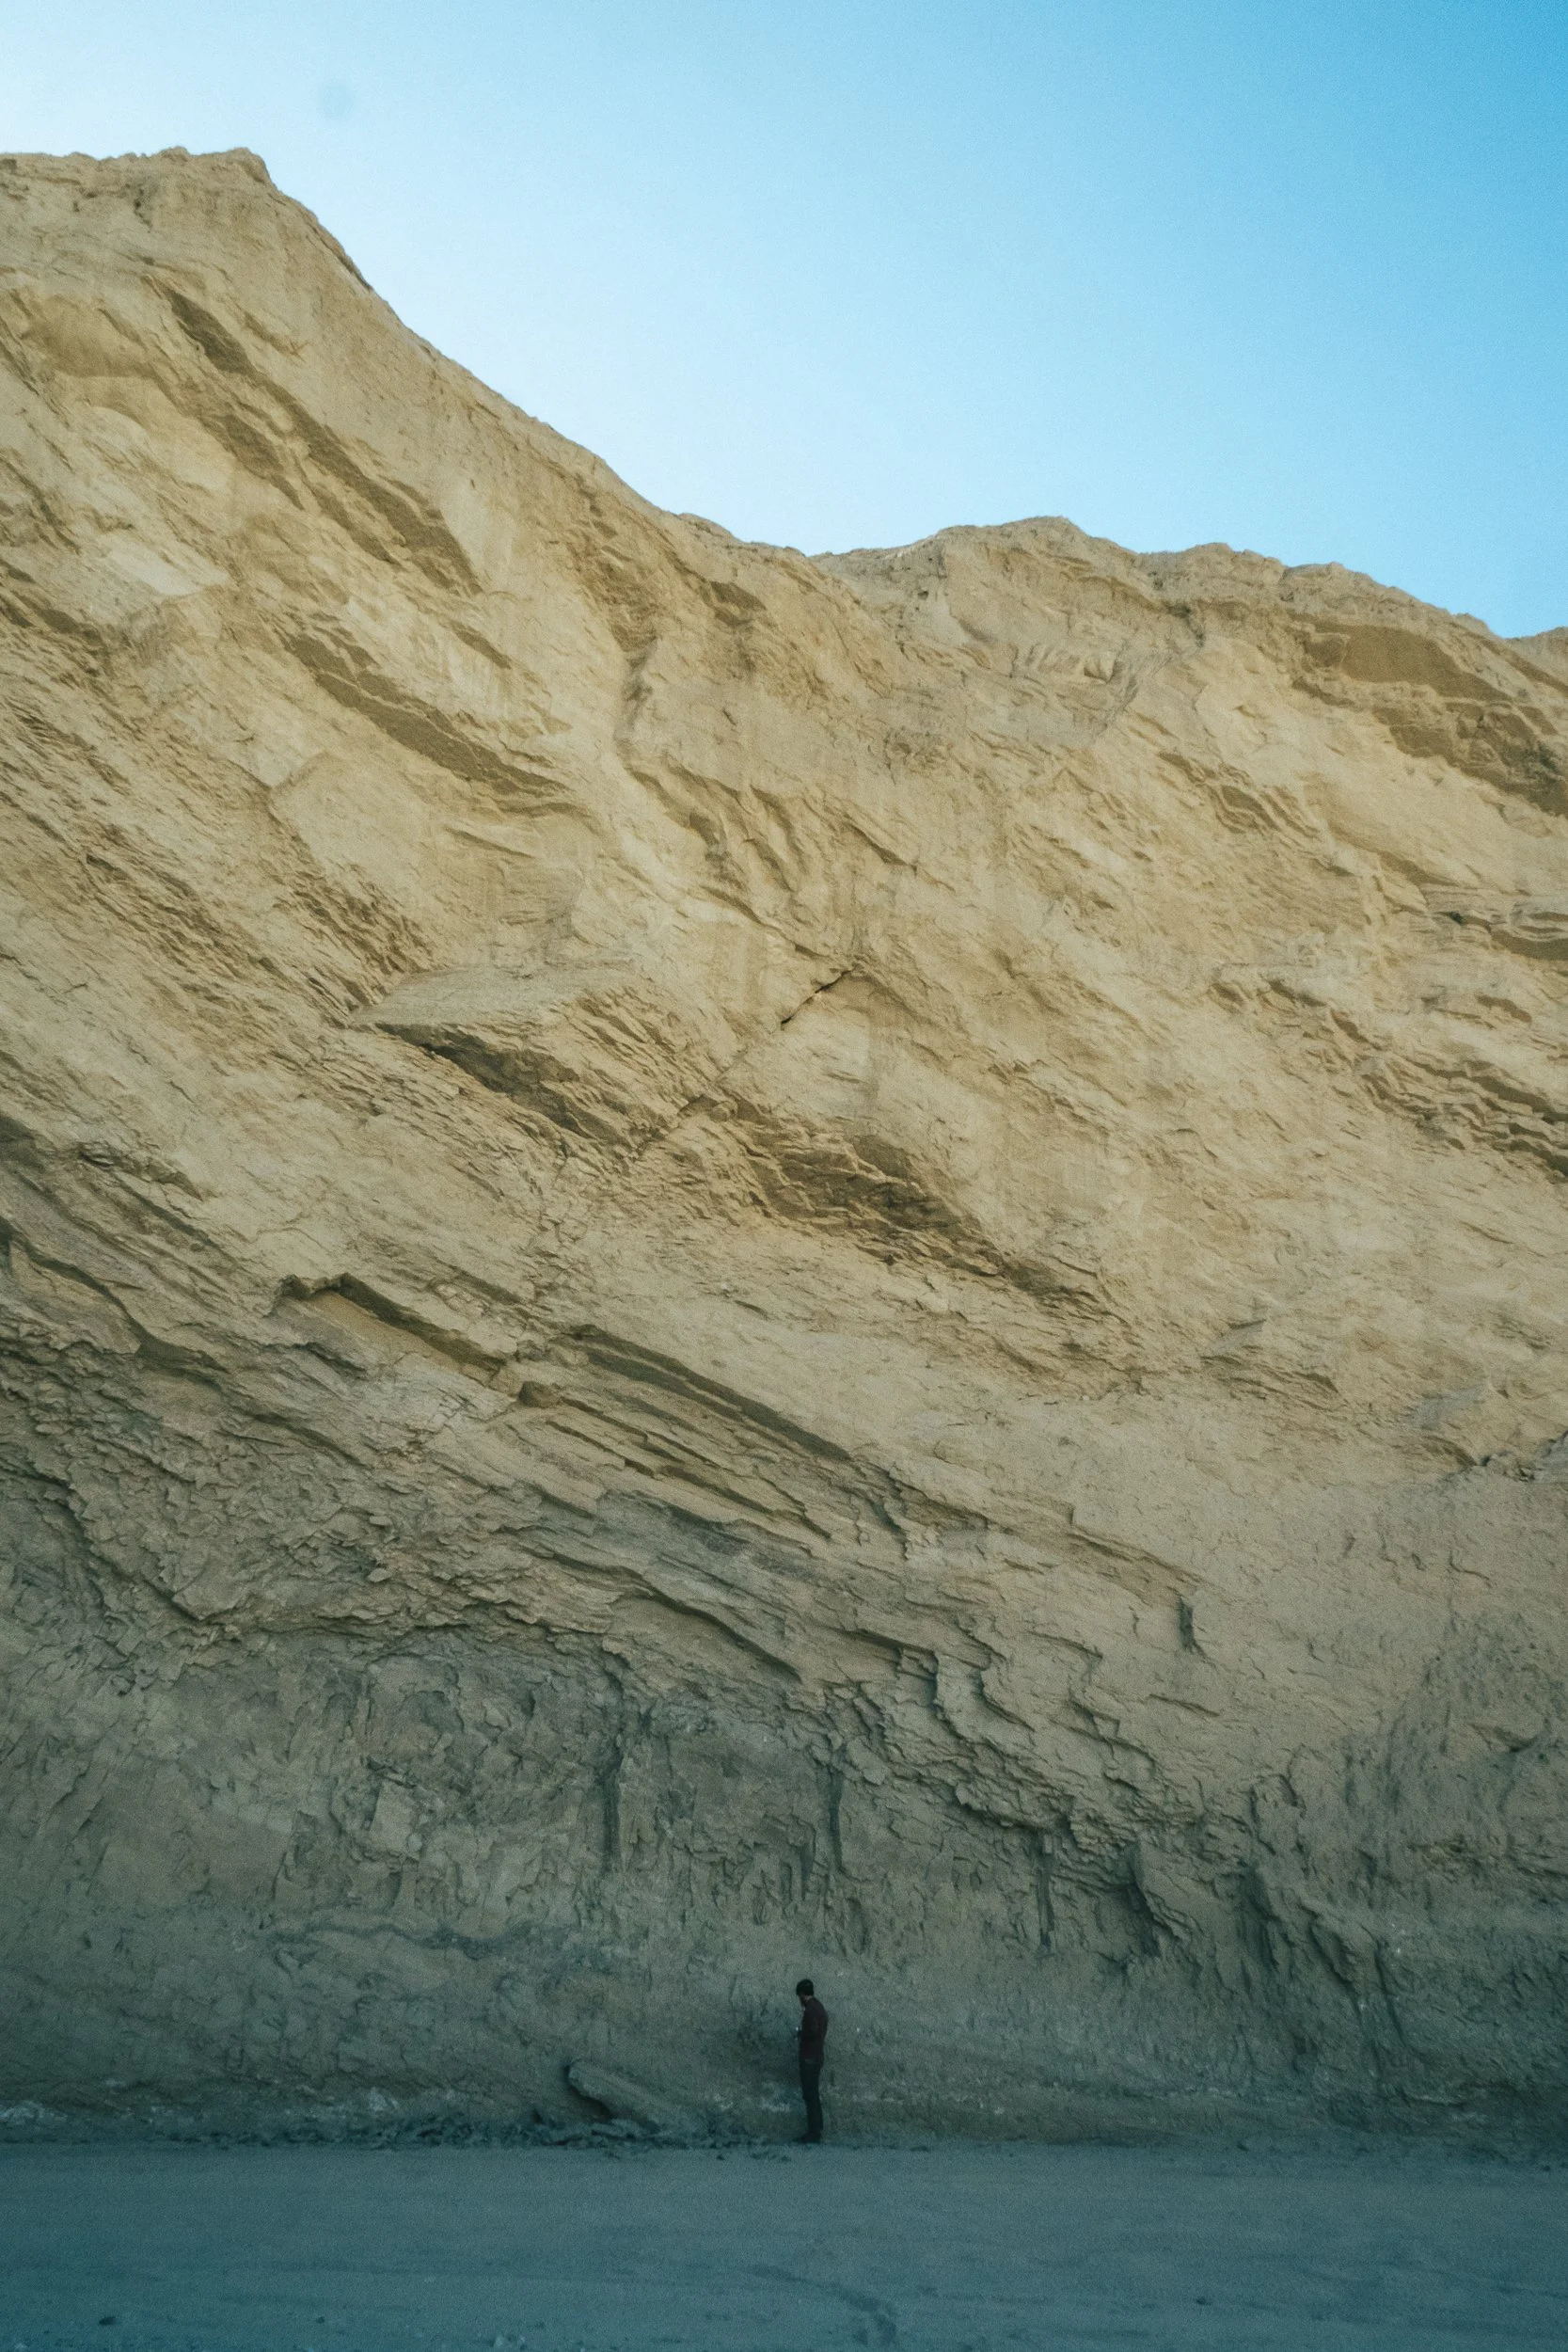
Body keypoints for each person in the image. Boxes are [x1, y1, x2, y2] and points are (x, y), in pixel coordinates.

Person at [795, 1977, 829, 2142]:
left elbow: (813, 2031)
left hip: (809, 2057)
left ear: (802, 1994)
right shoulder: (820, 2007)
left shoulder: (810, 2011)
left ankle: (814, 2132)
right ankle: (817, 2129)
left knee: (810, 2095)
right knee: (813, 2094)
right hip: (818, 2056)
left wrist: (801, 2034)